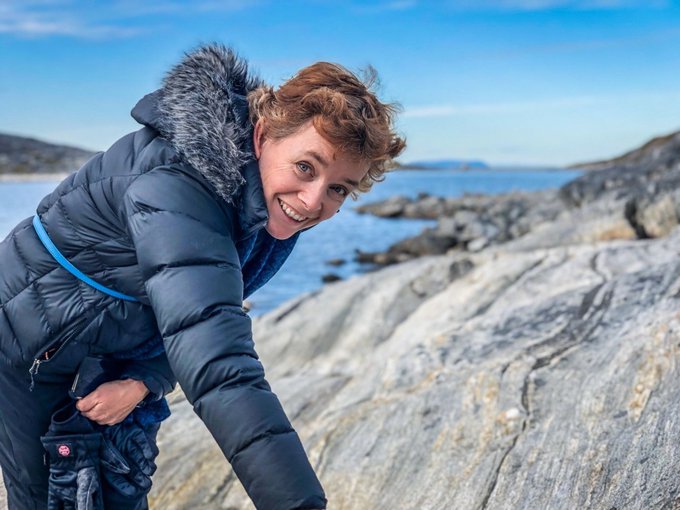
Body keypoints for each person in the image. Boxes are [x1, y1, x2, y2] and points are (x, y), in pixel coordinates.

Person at [0, 43, 405, 510]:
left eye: (338, 189)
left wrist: (143, 380)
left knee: (118, 486)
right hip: (32, 336)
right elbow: (217, 359)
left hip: (112, 339)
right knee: (53, 496)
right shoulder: (179, 185)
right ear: (264, 134)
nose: (314, 201)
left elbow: (193, 314)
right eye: (304, 167)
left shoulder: (262, 208)